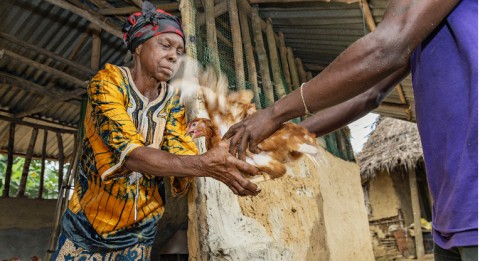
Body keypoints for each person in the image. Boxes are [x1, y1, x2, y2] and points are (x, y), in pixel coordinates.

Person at [225, 0, 477, 260]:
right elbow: (369, 95)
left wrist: (275, 113)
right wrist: (283, 139)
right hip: (451, 213)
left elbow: (385, 48)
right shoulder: (422, 22)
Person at [52, 3, 260, 260]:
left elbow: (181, 155)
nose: (174, 55)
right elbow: (130, 155)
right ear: (139, 46)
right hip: (87, 226)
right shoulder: (108, 83)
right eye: (165, 45)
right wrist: (204, 164)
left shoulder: (172, 101)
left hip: (140, 232)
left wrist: (209, 136)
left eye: (179, 50)